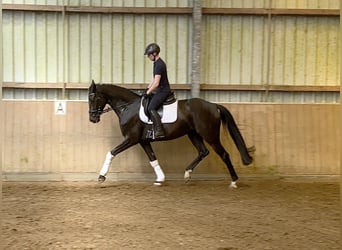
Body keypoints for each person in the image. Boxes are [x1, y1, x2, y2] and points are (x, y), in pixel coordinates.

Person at [144, 43, 172, 139]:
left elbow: (156, 83)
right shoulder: (157, 63)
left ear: (154, 53)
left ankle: (159, 130)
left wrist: (148, 92)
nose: (148, 57)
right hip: (161, 89)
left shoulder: (159, 65)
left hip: (163, 91)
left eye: (149, 54)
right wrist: (148, 88)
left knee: (150, 108)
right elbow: (154, 80)